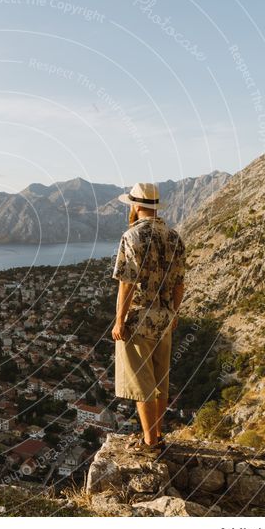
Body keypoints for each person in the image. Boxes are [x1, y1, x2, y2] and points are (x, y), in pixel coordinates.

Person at [111, 182, 185, 454]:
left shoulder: (132, 237)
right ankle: (158, 434)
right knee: (159, 381)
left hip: (139, 320)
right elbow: (179, 284)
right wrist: (174, 313)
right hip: (165, 319)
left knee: (141, 383)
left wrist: (119, 320)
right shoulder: (174, 237)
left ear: (136, 206)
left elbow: (126, 283)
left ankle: (150, 442)